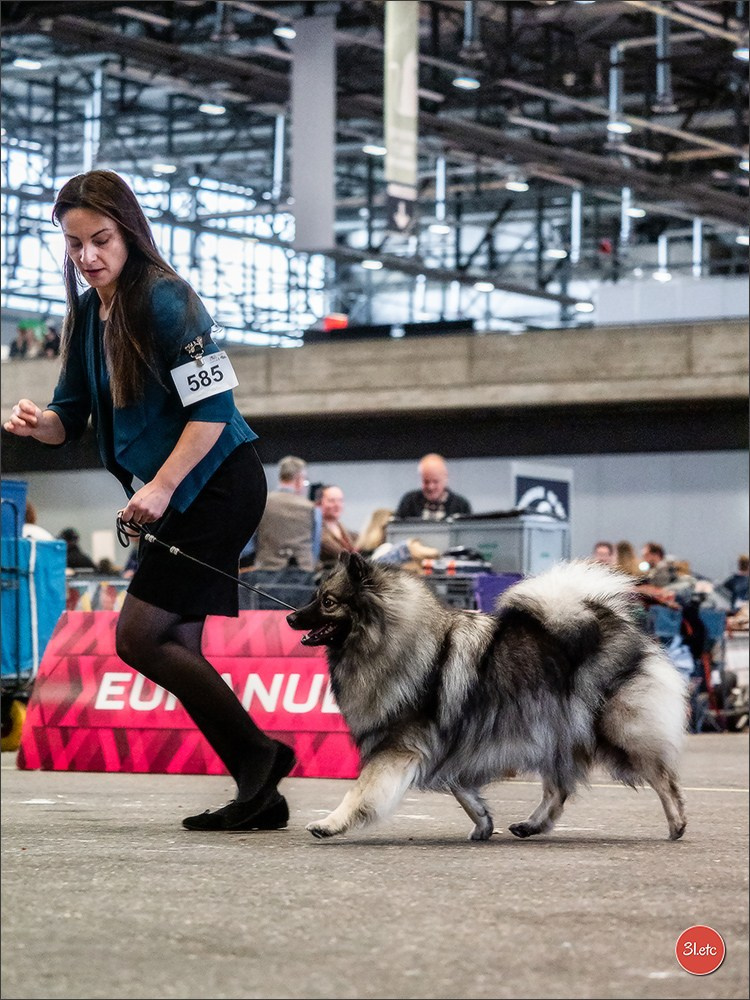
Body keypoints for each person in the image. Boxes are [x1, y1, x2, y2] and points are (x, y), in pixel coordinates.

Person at [3, 169, 293, 833]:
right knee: (174, 640)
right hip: (174, 496)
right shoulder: (85, 318)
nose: (88, 256)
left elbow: (214, 409)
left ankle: (259, 755)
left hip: (218, 484)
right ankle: (260, 792)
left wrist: (161, 487)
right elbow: (66, 417)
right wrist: (34, 423)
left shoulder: (168, 299)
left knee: (139, 637)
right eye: (75, 245)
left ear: (128, 231)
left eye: (100, 239)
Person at [253, 455, 321, 571]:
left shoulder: (262, 502)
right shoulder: (312, 508)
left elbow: (251, 539)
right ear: (299, 479)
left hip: (267, 569)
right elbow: (315, 546)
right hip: (302, 572)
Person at [395, 453, 472, 522]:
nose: (430, 487)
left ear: (446, 479)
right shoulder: (409, 502)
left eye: (435, 481)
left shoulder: (461, 505)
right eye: (426, 482)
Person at [317, 484, 358, 568]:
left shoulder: (345, 531)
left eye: (340, 500)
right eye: (332, 501)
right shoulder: (316, 530)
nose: (337, 505)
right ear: (319, 503)